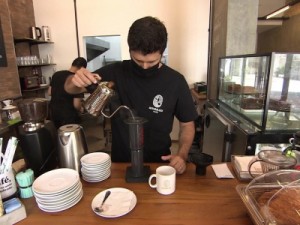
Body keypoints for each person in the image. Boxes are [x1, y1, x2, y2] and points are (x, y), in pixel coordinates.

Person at [65, 16, 198, 174]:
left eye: (152, 62)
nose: (144, 67)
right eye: (138, 60)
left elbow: (187, 125)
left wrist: (182, 155)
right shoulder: (115, 72)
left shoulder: (176, 81)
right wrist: (75, 80)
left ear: (162, 52)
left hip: (159, 165)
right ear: (129, 50)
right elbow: (70, 88)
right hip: (121, 166)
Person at [48, 57, 87, 129]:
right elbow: (76, 105)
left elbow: (49, 92)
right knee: (70, 138)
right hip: (68, 115)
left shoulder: (56, 74)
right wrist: (81, 109)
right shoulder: (77, 80)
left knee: (59, 135)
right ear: (82, 68)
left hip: (54, 113)